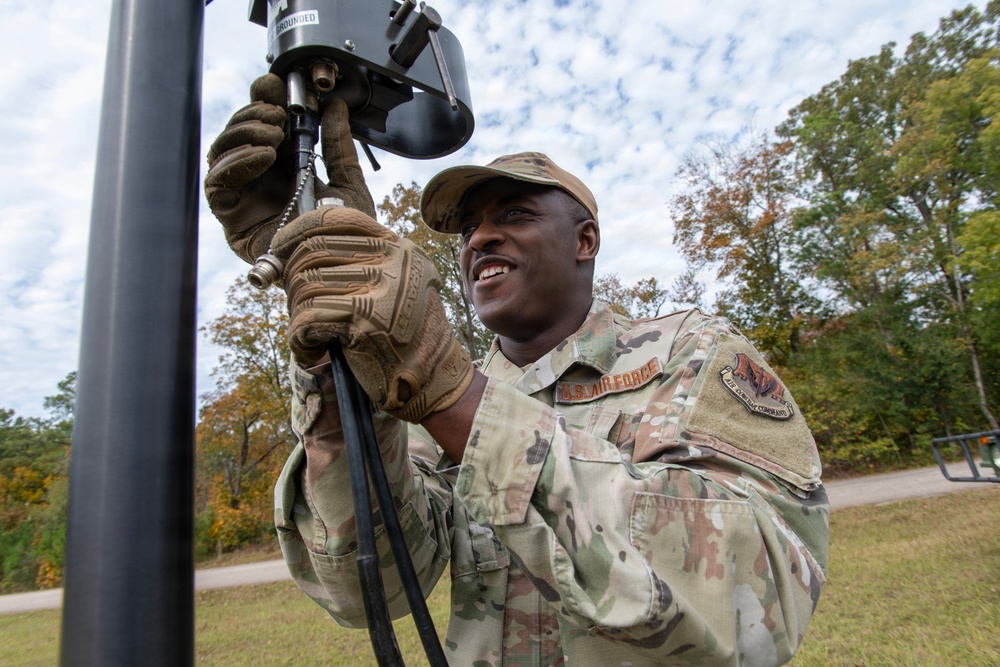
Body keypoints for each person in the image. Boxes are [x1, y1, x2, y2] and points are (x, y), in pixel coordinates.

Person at [205, 74, 829, 666]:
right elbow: (375, 588)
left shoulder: (689, 354)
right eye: (470, 229)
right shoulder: (427, 404)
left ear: (584, 240)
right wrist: (336, 367)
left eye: (515, 215)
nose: (480, 239)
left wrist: (455, 398)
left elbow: (763, 597)